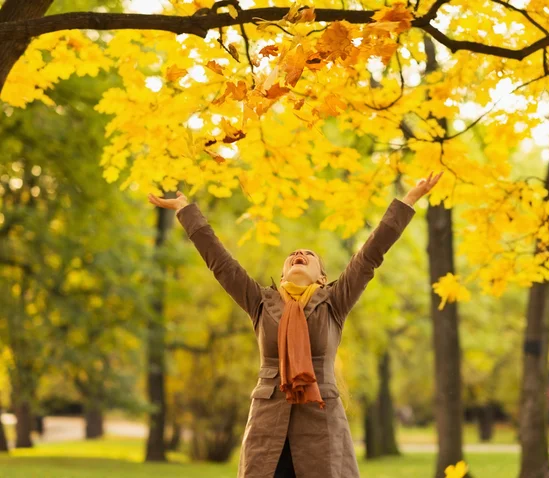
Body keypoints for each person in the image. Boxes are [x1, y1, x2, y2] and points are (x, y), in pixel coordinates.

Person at [148, 171, 443, 478]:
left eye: (308, 255)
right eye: (292, 256)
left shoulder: (334, 302)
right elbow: (220, 263)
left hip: (321, 425)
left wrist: (408, 200)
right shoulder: (261, 302)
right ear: (284, 272)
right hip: (267, 425)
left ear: (322, 278)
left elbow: (370, 255)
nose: (299, 255)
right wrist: (186, 211)